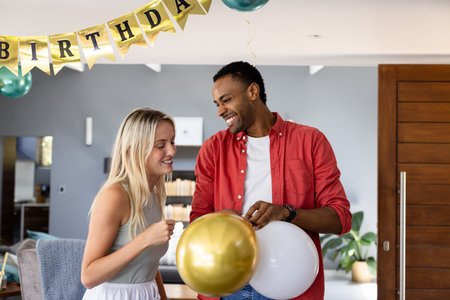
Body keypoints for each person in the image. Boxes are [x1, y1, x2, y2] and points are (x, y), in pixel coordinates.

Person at [190, 62, 352, 300]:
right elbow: (197, 220)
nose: (220, 111)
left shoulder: (311, 141)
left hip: (288, 282)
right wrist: (221, 221)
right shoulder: (213, 149)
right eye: (217, 104)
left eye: (226, 100)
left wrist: (287, 213)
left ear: (253, 92)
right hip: (228, 284)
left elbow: (341, 219)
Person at [81, 108, 176, 300]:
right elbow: (88, 277)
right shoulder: (114, 196)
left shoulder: (153, 194)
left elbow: (150, 264)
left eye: (172, 142)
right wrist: (145, 239)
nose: (172, 151)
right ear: (134, 149)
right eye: (161, 145)